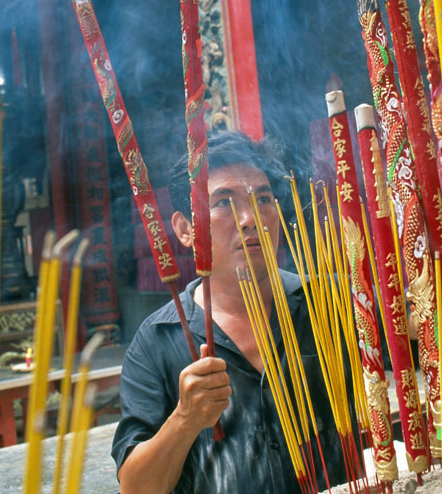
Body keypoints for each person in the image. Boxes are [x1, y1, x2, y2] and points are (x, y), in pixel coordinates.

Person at [111, 130, 350, 493]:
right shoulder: (157, 341)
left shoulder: (329, 301)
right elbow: (135, 487)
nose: (251, 218)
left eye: (264, 199)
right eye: (223, 202)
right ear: (185, 229)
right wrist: (185, 420)